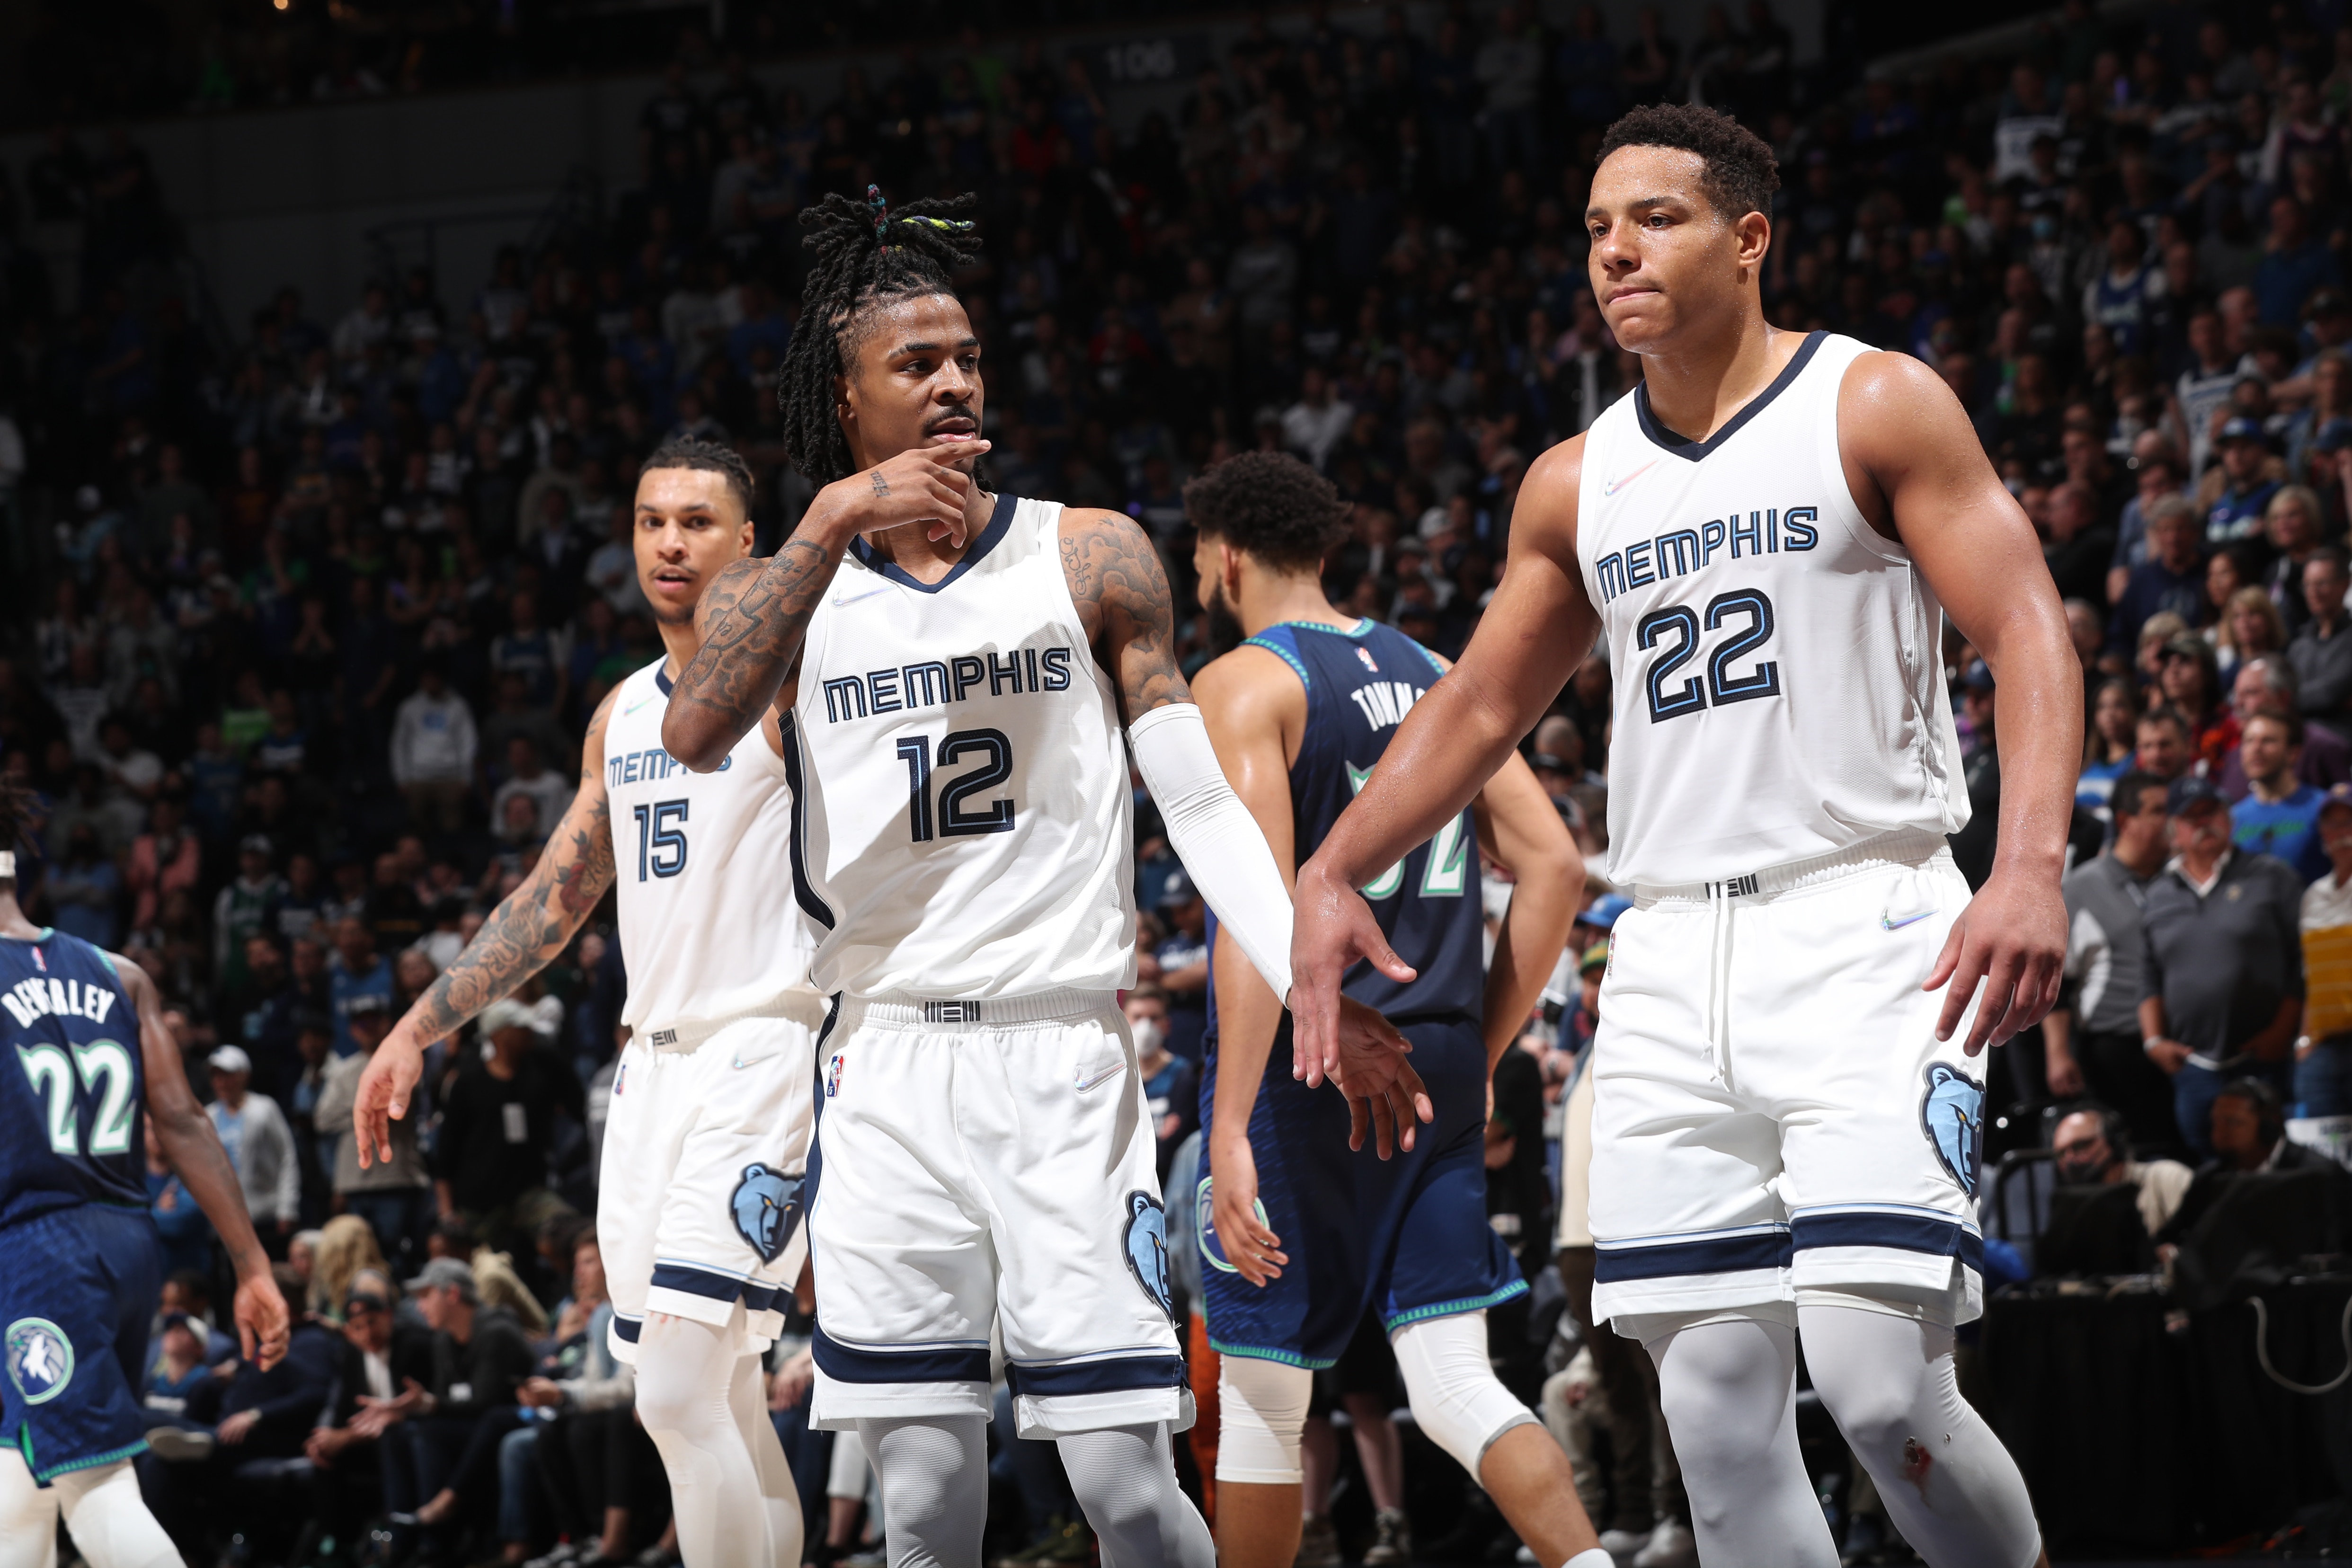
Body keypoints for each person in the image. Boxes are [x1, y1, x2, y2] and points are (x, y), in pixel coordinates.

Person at [1290, 106, 2072, 1568]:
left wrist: (2029, 863)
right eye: (1595, 228)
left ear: (1749, 238)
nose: (1614, 250)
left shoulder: (1875, 401)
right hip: (1669, 951)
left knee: (1878, 1382)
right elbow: (1471, 713)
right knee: (1710, 1413)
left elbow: (2027, 624)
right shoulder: (1577, 480)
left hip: (1871, 923)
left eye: (1652, 217)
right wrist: (1330, 870)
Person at [658, 188, 1417, 1568]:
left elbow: (1189, 793)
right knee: (925, 1500)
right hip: (884, 1070)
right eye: (916, 365)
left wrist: (1300, 953)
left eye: (967, 358)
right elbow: (693, 728)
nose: (954, 383)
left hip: (1063, 1062)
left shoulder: (1089, 549)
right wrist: (832, 516)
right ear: (846, 398)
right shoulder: (794, 585)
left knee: (1126, 1482)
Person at [357, 436, 821, 1568]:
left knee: (667, 1392)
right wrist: (420, 1025)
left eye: (699, 521)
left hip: (765, 1046)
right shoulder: (619, 715)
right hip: (650, 1073)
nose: (670, 542)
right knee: (721, 1394)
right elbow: (551, 900)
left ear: (749, 541)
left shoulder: (794, 682)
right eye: (651, 519)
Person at [1178, 450, 1602, 1568]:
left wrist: (1227, 1123)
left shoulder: (1240, 683)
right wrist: (1472, 1046)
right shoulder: (1433, 670)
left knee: (1268, 1398)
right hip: (1436, 1064)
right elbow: (1552, 865)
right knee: (1456, 1380)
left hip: (1302, 1066)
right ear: (1320, 550)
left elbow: (1254, 912)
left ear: (1221, 560)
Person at [0, 780, 292, 1568]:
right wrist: (251, 1261)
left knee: (97, 1491)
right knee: (17, 1485)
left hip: (37, 1253)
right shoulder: (119, 972)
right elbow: (188, 1122)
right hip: (127, 1244)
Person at [2139, 776, 2307, 1160]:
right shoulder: (2158, 893)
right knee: (2209, 1172)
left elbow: (2302, 961)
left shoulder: (2272, 876)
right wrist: (2153, 1041)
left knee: (2273, 1168)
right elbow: (2149, 974)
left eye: (2210, 813)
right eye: (2191, 818)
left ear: (2228, 819)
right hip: (2193, 1066)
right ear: (2174, 832)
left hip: (2262, 1059)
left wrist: (2283, 1031)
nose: (2204, 824)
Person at [2046, 773, 2185, 1156]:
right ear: (2124, 821)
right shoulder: (2081, 886)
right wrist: (2058, 1053)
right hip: (2113, 1050)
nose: (2170, 821)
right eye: (2158, 811)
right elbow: (2057, 982)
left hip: (2178, 1045)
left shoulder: (2180, 879)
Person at [203, 1044, 300, 1252]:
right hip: (225, 1220)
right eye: (216, 1076)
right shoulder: (208, 1116)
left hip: (266, 1214)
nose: (221, 1082)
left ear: (243, 1076)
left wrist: (288, 1208)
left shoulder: (264, 1109)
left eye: (227, 1075)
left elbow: (287, 1157)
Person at [2047, 1106, 2193, 1240]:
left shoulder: (2166, 1177)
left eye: (2080, 1146)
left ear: (2112, 1140)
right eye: (2061, 1155)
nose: (2070, 1159)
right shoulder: (2074, 1213)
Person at [2299, 788, 2352, 1116]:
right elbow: (2311, 980)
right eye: (2332, 825)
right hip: (2323, 1048)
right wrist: (2304, 1040)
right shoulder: (2312, 897)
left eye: (2348, 823)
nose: (2341, 834)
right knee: (2325, 1162)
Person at [2231, 709, 2331, 882]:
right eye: (2249, 741)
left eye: (2268, 741)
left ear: (2294, 754)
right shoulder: (2233, 817)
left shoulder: (2323, 808)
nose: (2256, 749)